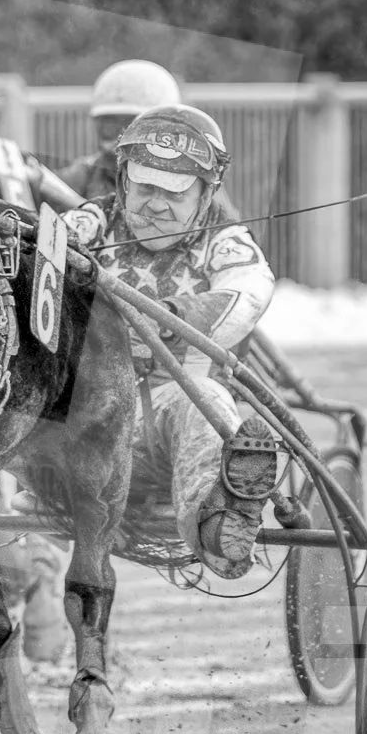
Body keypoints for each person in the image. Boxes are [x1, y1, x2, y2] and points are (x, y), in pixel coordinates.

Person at [61, 104, 280, 578]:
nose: (155, 205)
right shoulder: (89, 223)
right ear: (124, 181)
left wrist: (172, 316)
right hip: (80, 432)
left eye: (174, 192)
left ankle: (218, 522)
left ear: (207, 192)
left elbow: (248, 292)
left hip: (161, 434)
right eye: (145, 188)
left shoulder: (227, 242)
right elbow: (46, 248)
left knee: (205, 398)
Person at [58, 60, 183, 201]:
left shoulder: (186, 179)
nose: (121, 139)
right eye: (110, 125)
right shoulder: (84, 176)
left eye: (132, 127)